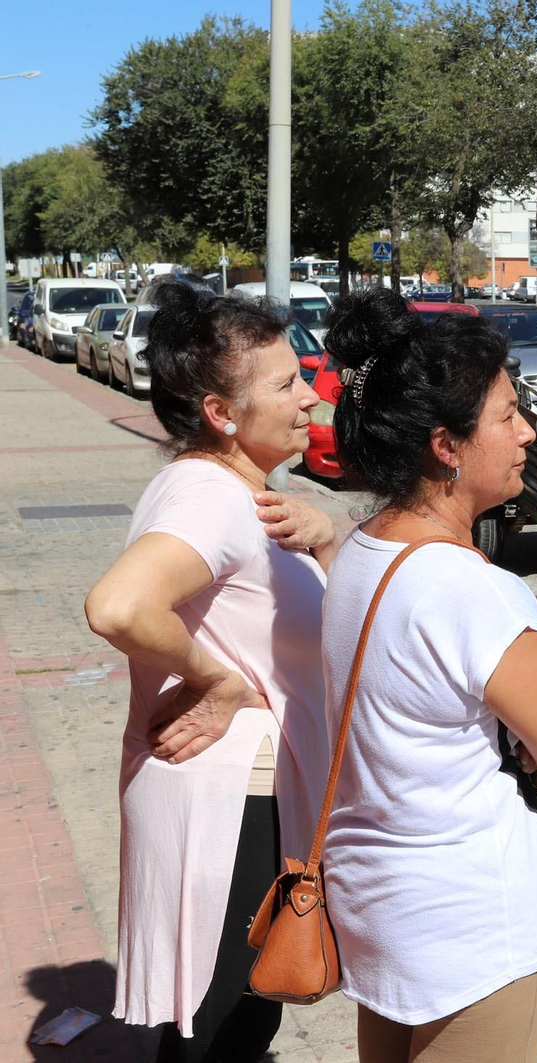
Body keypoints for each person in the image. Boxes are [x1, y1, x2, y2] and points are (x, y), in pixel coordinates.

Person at [318, 288, 537, 1062]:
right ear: (446, 445)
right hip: (474, 929)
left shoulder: (361, 553)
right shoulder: (472, 589)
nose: (528, 432)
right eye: (507, 414)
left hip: (382, 911)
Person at [84, 282, 335, 1061]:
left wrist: (327, 541)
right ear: (221, 413)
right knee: (226, 1022)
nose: (309, 395)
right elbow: (119, 605)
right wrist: (218, 679)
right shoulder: (210, 496)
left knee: (226, 1017)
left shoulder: (230, 490)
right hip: (227, 797)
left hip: (232, 794)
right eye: (286, 383)